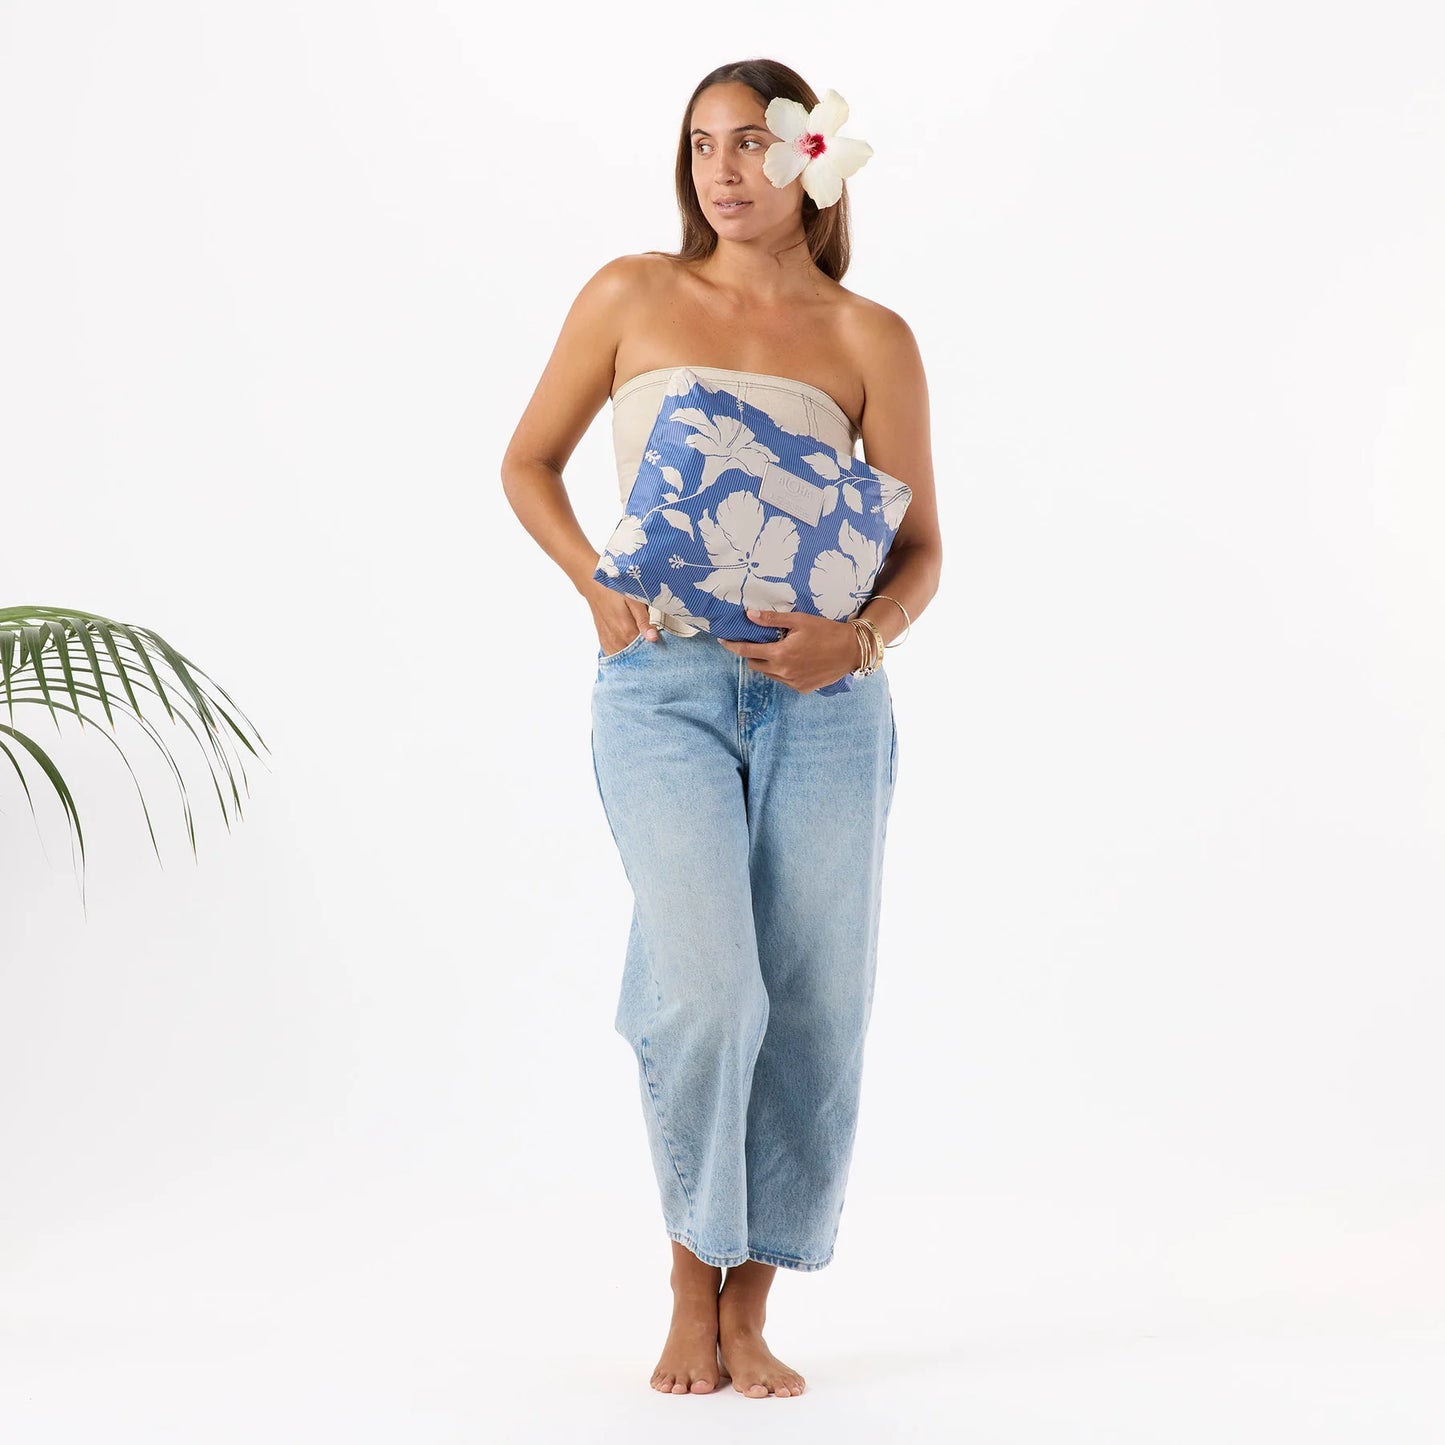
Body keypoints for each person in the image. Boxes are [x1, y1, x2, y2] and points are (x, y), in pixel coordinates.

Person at [500, 57, 942, 1399]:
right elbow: (527, 460)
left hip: (826, 705)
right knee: (708, 987)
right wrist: (592, 579)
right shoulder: (633, 293)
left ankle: (751, 1304)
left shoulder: (874, 340)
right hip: (663, 688)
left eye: (750, 143)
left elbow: (919, 551)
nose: (722, 170)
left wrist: (853, 640)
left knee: (811, 1003)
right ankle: (688, 1273)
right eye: (701, 146)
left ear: (811, 161)